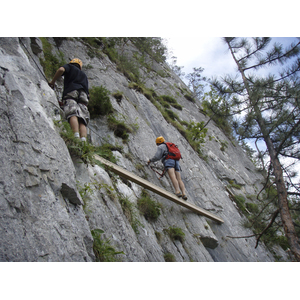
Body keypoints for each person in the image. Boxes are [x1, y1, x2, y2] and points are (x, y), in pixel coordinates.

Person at [49, 58, 90, 142]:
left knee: (72, 113)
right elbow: (88, 92)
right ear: (80, 67)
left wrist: (53, 82)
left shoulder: (70, 67)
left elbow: (61, 69)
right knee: (82, 119)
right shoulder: (84, 75)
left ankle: (75, 136)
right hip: (83, 96)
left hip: (72, 92)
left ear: (71, 63)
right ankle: (83, 142)